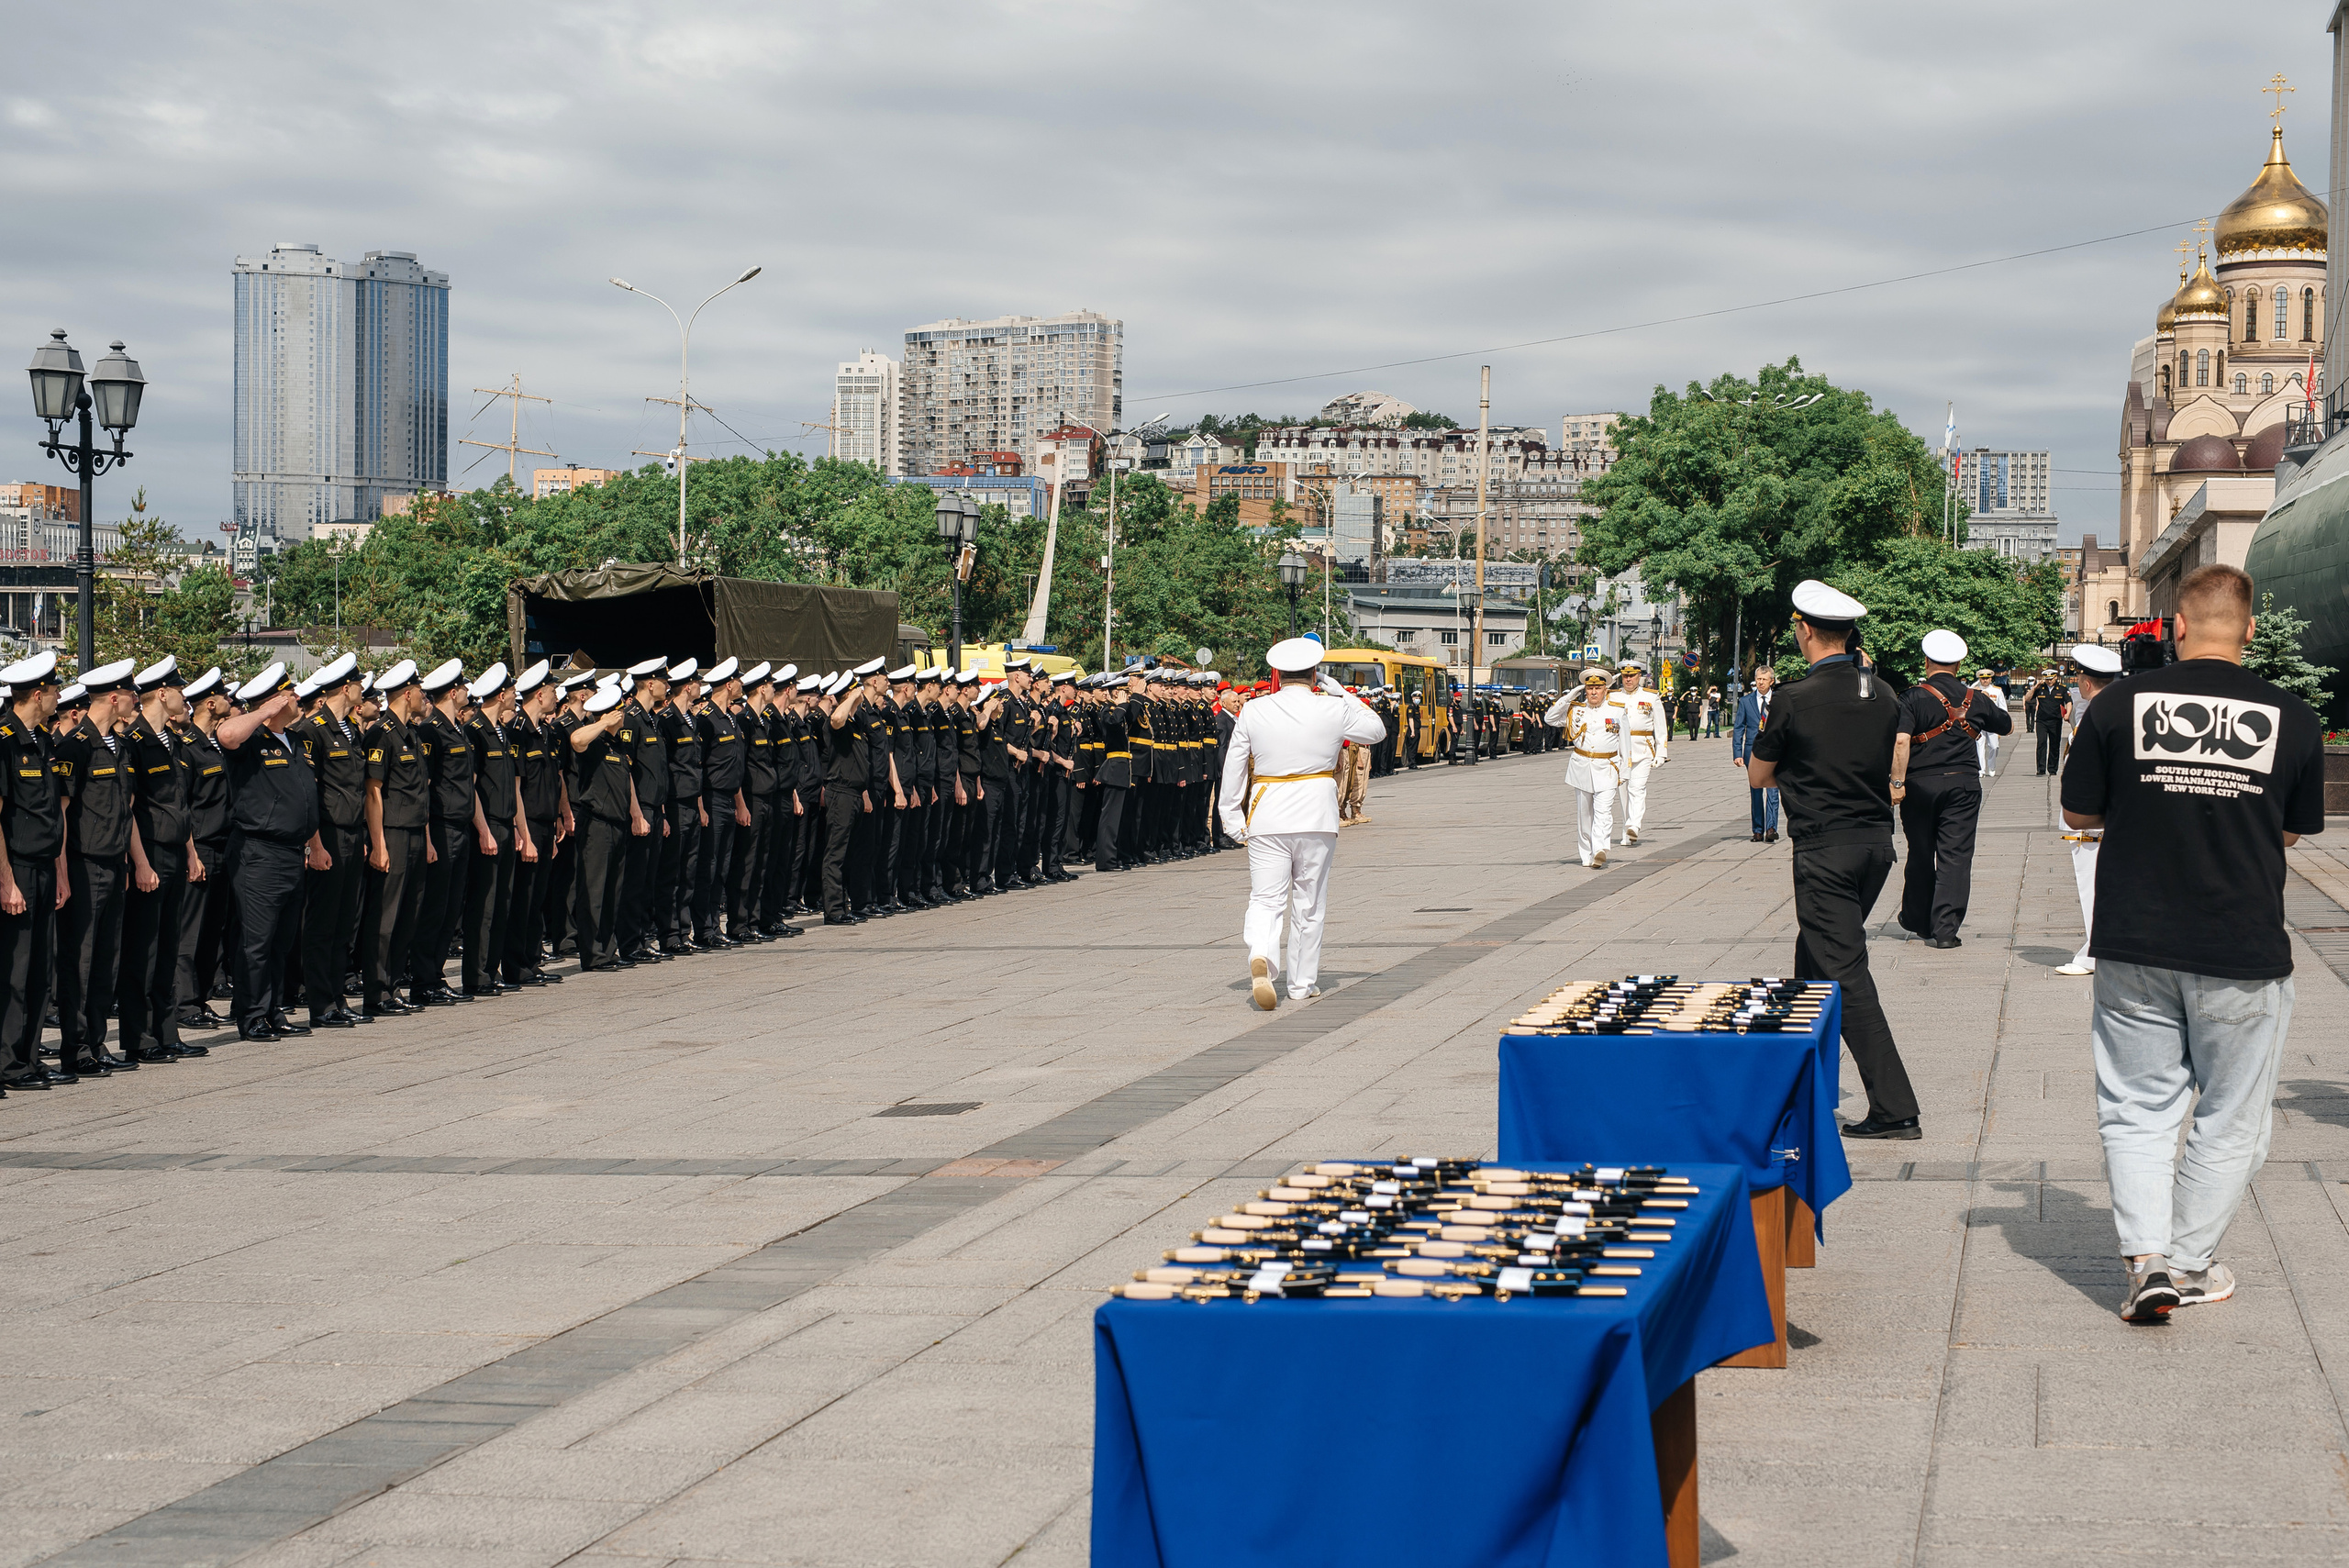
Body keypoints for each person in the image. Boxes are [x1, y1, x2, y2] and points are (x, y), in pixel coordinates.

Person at [2060, 563, 2325, 1322]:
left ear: (2177, 625)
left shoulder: (2119, 705)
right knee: (2232, 1117)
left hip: (2134, 940)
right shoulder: (2295, 717)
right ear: (2248, 627)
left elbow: (2079, 813)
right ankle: (2189, 1262)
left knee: (2137, 1107)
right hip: (2242, 944)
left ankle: (2147, 1261)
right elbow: (2290, 829)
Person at [1747, 579, 1920, 1140]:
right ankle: (1800, 1084)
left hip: (1825, 850)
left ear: (1804, 631)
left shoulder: (1793, 699)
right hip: (1875, 845)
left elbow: (1759, 775)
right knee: (1814, 964)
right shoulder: (1885, 693)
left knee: (1844, 972)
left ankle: (1895, 1107)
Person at [1219, 636, 1386, 1009]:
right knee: (1310, 902)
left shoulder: (1255, 710)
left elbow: (1234, 766)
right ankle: (1300, 983)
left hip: (1267, 814)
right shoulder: (1331, 708)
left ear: (1277, 673)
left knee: (1266, 898)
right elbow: (1376, 730)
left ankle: (1261, 953)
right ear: (1315, 674)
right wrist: (1340, 692)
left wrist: (1231, 816)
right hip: (1316, 814)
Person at [1892, 628, 2012, 950]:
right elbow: (2007, 726)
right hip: (1963, 784)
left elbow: (1901, 740)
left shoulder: (1912, 697)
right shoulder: (1975, 697)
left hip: (1920, 786)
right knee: (1955, 857)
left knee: (1920, 851)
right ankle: (1946, 931)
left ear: (1927, 661)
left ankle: (1918, 919)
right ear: (1959, 664)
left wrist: (1897, 782)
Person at [218, 662, 319, 1042]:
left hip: (292, 852)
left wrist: (315, 844)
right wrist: (262, 711)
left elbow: (306, 800)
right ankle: (253, 1014)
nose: (298, 700)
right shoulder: (250, 739)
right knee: (256, 941)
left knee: (280, 940)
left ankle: (273, 1009)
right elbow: (226, 734)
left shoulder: (294, 742)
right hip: (258, 852)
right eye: (290, 695)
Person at [52, 658, 144, 1073]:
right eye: (130, 694)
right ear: (113, 697)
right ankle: (76, 1050)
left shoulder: (120, 747)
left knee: (107, 959)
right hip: (84, 865)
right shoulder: (75, 746)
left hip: (112, 863)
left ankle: (97, 1043)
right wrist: (62, 872)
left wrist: (128, 860)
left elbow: (124, 811)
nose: (134, 701)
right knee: (82, 961)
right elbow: (62, 814)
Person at [0, 652, 68, 1093]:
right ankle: (8, 1063)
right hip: (18, 868)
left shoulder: (41, 740)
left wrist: (59, 874)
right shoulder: (5, 740)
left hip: (44, 865)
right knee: (16, 971)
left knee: (41, 969)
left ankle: (28, 1057)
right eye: (55, 689)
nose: (59, 697)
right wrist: (6, 881)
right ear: (38, 693)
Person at [2054, 644, 2121, 979]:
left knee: (2091, 884)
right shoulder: (2117, 709)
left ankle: (2096, 953)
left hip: (2093, 818)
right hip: (2109, 816)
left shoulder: (2096, 714)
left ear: (2085, 681)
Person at [1544, 667, 1621, 868]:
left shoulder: (1617, 711)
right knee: (1584, 815)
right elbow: (1550, 719)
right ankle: (1586, 854)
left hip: (1608, 767)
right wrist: (1570, 695)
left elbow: (1626, 743)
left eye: (1598, 688)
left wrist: (1626, 771)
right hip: (1582, 768)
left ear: (1606, 689)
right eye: (1589, 688)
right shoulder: (1575, 710)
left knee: (1604, 812)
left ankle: (1600, 850)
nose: (1594, 692)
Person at [1609, 661, 1670, 845]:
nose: (1628, 679)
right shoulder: (1612, 697)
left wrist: (1661, 752)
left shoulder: (1651, 697)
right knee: (1623, 793)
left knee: (1638, 788)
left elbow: (1661, 727)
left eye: (1632, 675)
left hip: (1643, 749)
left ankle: (1634, 825)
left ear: (1639, 676)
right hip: (1619, 750)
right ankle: (1626, 830)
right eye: (1625, 676)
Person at [1731, 666, 1779, 842]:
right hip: (1752, 752)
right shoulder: (1746, 702)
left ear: (1771, 681)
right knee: (1756, 790)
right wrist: (1738, 753)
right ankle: (1758, 830)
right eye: (1758, 679)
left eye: (1764, 679)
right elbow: (1738, 729)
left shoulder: (1778, 701)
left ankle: (1771, 828)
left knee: (1773, 791)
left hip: (1774, 751)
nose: (1760, 682)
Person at [2027, 672, 2069, 773]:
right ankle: (2041, 769)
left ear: (2055, 677)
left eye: (2051, 679)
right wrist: (2035, 687)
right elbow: (2028, 698)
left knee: (2054, 744)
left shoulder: (2062, 689)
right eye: (2047, 679)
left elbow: (2069, 702)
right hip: (2042, 721)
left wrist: (2067, 713)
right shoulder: (2040, 688)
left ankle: (2052, 769)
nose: (2049, 681)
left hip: (2055, 721)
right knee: (2041, 743)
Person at [1972, 669, 2007, 776]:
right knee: (1979, 746)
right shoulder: (1973, 690)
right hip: (1979, 722)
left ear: (1991, 679)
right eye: (1983, 678)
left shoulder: (1997, 691)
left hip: (1992, 722)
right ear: (1980, 679)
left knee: (1994, 746)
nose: (1985, 680)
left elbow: (2003, 708)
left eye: (1987, 678)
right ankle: (1981, 769)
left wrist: (2002, 722)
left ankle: (1991, 766)